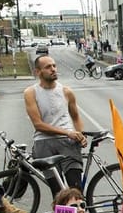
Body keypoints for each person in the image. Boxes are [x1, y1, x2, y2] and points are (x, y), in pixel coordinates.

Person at [23, 54, 87, 189]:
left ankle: (79, 210)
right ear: (38, 72)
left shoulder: (66, 91)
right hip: (44, 143)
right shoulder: (31, 93)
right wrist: (67, 132)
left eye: (54, 66)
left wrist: (80, 135)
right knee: (58, 192)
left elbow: (75, 117)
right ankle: (61, 210)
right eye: (48, 67)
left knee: (76, 189)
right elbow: (38, 124)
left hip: (68, 144)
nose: (53, 69)